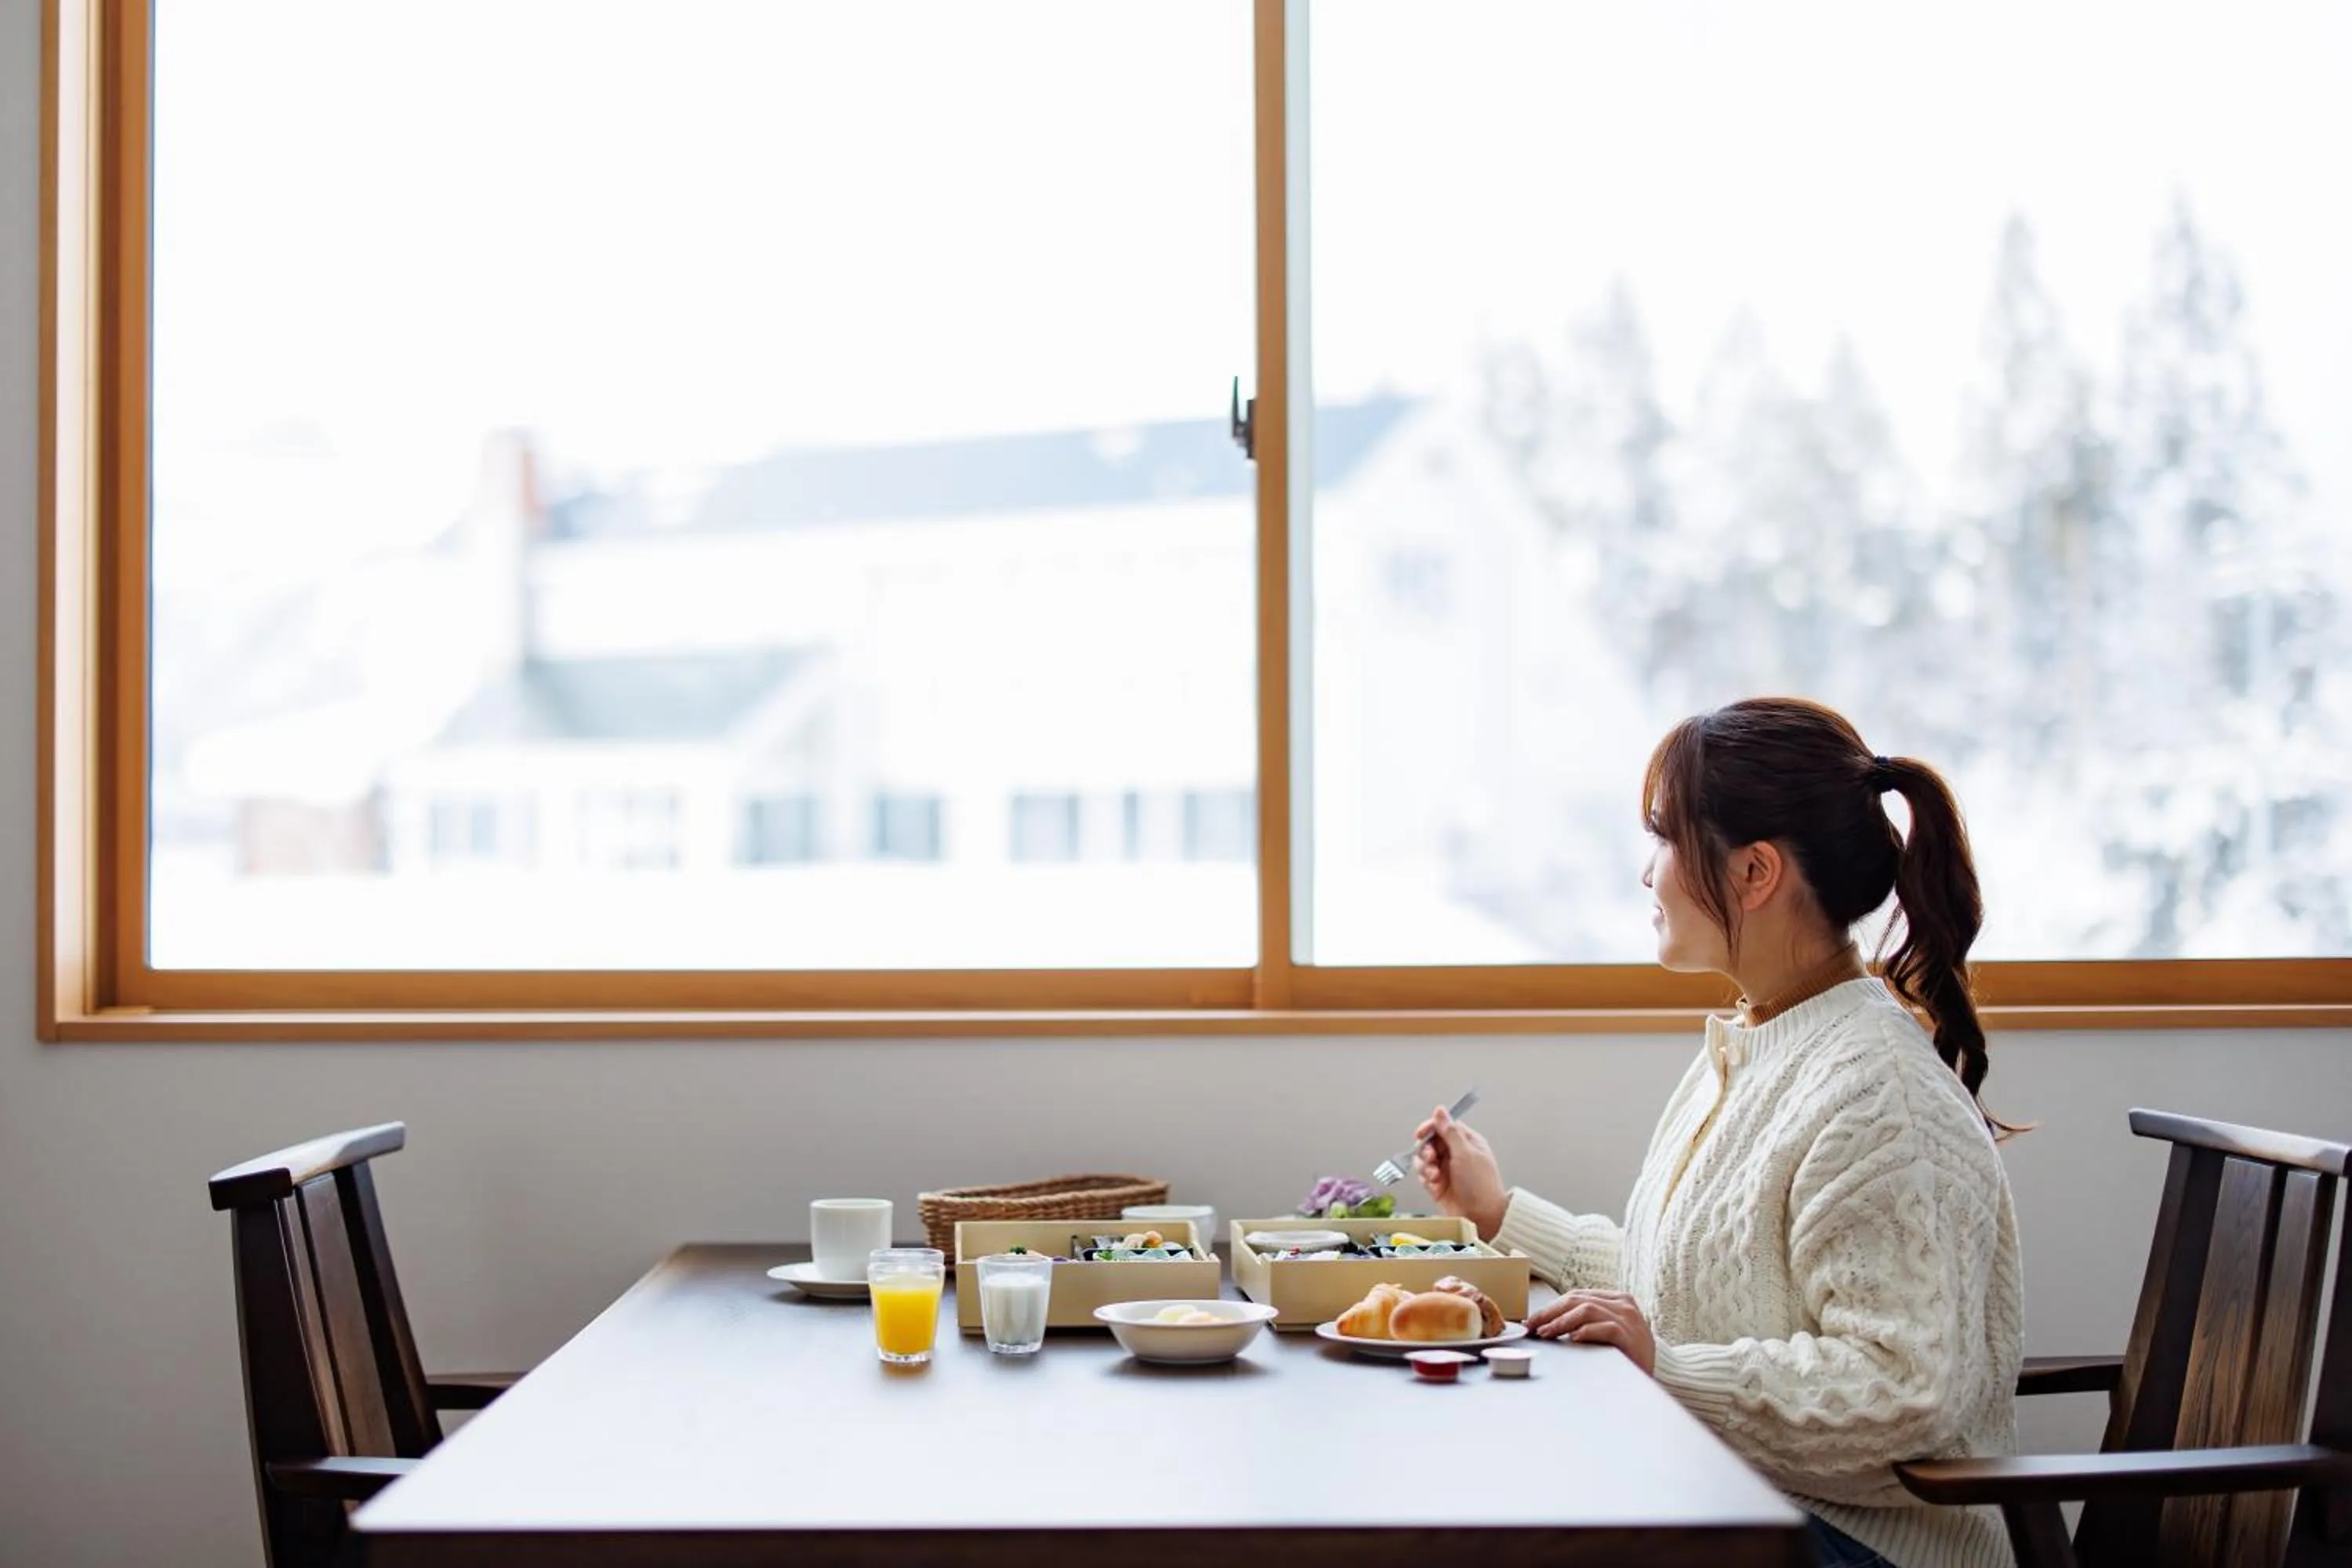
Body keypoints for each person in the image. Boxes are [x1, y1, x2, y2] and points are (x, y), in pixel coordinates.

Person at [1416, 698, 2023, 1568]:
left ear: (1754, 872)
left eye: (1664, 839)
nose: (1647, 873)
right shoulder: (1755, 1046)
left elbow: (1905, 1389)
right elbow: (1681, 1288)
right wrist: (1502, 1211)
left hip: (1862, 1546)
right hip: (1734, 1500)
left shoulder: (1879, 1093)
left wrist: (1668, 1365)